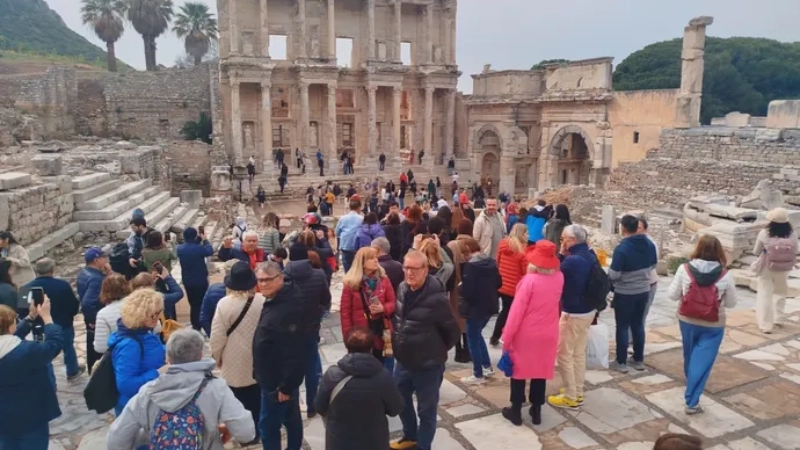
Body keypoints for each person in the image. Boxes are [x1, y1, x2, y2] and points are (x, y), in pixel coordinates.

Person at [108, 328, 256, 449]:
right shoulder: (216, 388)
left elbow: (116, 441)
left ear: (168, 358)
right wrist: (216, 429)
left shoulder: (148, 392)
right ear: (200, 355)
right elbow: (246, 433)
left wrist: (147, 435)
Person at [391, 251, 461, 450]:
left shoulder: (437, 299)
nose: (409, 273)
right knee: (399, 400)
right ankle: (410, 436)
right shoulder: (402, 288)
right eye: (406, 267)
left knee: (426, 411)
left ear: (425, 270)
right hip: (404, 361)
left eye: (414, 268)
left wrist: (434, 351)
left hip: (428, 366)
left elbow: (452, 332)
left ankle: (423, 446)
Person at [667, 235, 737, 414]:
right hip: (713, 324)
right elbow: (731, 303)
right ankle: (692, 401)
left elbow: (672, 295)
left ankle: (690, 380)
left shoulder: (684, 269)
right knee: (703, 361)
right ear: (719, 251)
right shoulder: (725, 275)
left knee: (689, 354)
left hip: (687, 319)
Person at [500, 240, 563, 426]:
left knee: (518, 372)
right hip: (549, 332)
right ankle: (536, 410)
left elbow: (516, 312)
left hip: (526, 334)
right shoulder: (560, 278)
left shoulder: (529, 281)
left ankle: (516, 410)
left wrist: (507, 336)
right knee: (540, 371)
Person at [315, 327, 404, 450]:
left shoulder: (332, 375)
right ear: (371, 348)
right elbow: (396, 409)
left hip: (340, 441)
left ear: (347, 347)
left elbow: (319, 406)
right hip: (374, 441)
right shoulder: (383, 377)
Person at [210, 262, 265, 444]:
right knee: (256, 397)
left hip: (233, 359)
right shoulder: (262, 301)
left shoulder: (224, 304)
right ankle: (257, 432)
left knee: (237, 401)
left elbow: (217, 337)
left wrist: (217, 356)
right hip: (258, 358)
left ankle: (243, 435)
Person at [253, 261, 305, 450]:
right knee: (290, 418)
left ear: (280, 279)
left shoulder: (286, 308)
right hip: (274, 378)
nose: (263, 284)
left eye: (268, 280)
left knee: (268, 426)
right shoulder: (276, 300)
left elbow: (294, 351)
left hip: (277, 382)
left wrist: (286, 386)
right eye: (260, 280)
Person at [0, 299, 63, 450]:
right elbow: (54, 345)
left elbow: (9, 337)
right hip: (31, 416)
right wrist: (47, 318)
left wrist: (31, 317)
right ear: (10, 327)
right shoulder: (27, 351)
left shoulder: (17, 348)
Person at [547, 224, 597, 410]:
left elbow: (553, 273)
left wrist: (560, 254)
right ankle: (577, 390)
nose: (562, 242)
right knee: (578, 353)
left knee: (564, 355)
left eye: (563, 239)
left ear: (572, 240)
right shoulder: (589, 254)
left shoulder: (572, 261)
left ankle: (570, 396)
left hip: (573, 313)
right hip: (588, 311)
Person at [283, 244, 331, 419]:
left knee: (291, 369)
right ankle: (312, 406)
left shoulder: (282, 276)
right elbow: (326, 300)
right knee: (311, 369)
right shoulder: (319, 275)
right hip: (311, 328)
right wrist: (318, 313)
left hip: (289, 331)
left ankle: (294, 408)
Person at [609, 215, 658, 373]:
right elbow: (653, 265)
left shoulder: (622, 248)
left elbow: (614, 274)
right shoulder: (649, 244)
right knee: (638, 324)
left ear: (623, 228)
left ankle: (621, 361)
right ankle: (638, 359)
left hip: (625, 292)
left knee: (622, 326)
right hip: (643, 290)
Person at [109, 288, 167, 415]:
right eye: (154, 314)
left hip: (146, 401)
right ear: (141, 315)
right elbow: (126, 385)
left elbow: (151, 351)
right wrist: (158, 372)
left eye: (159, 312)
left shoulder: (143, 332)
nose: (158, 317)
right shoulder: (130, 345)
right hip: (135, 409)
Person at [458, 237, 501, 385]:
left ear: (467, 251)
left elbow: (468, 291)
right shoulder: (491, 262)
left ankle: (478, 374)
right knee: (477, 335)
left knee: (472, 339)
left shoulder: (471, 267)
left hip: (475, 308)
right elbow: (499, 282)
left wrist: (460, 287)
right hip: (490, 305)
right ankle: (486, 366)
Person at [340, 247, 396, 362]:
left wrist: (383, 308)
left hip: (380, 330)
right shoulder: (351, 284)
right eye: (372, 258)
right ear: (362, 262)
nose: (376, 260)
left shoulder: (384, 280)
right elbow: (345, 313)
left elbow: (393, 302)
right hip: (360, 334)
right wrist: (348, 337)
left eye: (376, 257)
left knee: (381, 362)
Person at [753, 207, 798, 333]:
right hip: (784, 268)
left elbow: (756, 251)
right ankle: (779, 319)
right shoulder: (792, 234)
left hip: (767, 267)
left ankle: (765, 325)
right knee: (780, 292)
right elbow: (796, 250)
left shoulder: (764, 233)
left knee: (765, 293)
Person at [491, 223, 529, 346]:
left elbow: (497, 262)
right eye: (526, 233)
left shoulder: (503, 244)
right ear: (522, 234)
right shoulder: (522, 251)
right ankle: (500, 337)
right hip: (513, 287)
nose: (528, 235)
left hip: (501, 284)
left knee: (504, 311)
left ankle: (495, 336)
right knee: (509, 313)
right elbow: (525, 272)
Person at [77, 247, 109, 373]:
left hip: (90, 318)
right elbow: (87, 303)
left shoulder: (83, 272)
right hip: (95, 318)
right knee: (98, 351)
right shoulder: (96, 279)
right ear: (96, 260)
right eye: (103, 257)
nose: (106, 260)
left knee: (91, 347)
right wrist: (95, 320)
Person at [177, 226, 215, 330]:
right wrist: (205, 239)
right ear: (195, 236)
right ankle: (203, 323)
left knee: (193, 305)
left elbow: (191, 246)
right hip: (201, 281)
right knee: (202, 303)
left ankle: (195, 325)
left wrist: (197, 239)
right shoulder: (199, 249)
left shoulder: (180, 249)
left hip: (188, 281)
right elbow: (210, 251)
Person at [92, 273, 133, 354]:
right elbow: (156, 328)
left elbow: (101, 348)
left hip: (121, 355)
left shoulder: (103, 314)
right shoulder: (138, 304)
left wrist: (95, 343)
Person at [634, 217, 660, 344]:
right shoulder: (629, 242)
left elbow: (653, 264)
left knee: (640, 316)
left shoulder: (651, 244)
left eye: (639, 227)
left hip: (648, 283)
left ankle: (636, 341)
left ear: (645, 229)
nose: (636, 230)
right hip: (633, 284)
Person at [335, 200, 364, 273]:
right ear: (359, 207)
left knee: (347, 268)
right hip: (357, 246)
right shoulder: (361, 219)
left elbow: (337, 232)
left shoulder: (342, 218)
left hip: (345, 245)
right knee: (358, 269)